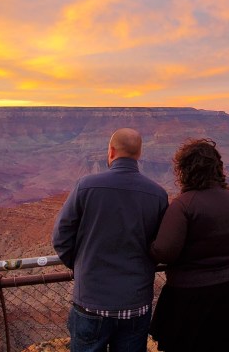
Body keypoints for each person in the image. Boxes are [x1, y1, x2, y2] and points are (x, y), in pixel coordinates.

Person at [52, 128, 168, 352]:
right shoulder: (158, 194)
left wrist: (81, 266)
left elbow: (61, 237)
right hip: (135, 303)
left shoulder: (86, 186)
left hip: (91, 301)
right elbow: (161, 246)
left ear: (111, 151)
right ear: (139, 154)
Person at [150, 138, 229, 352]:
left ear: (184, 170)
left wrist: (146, 245)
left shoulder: (184, 205)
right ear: (218, 168)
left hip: (193, 299)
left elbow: (165, 252)